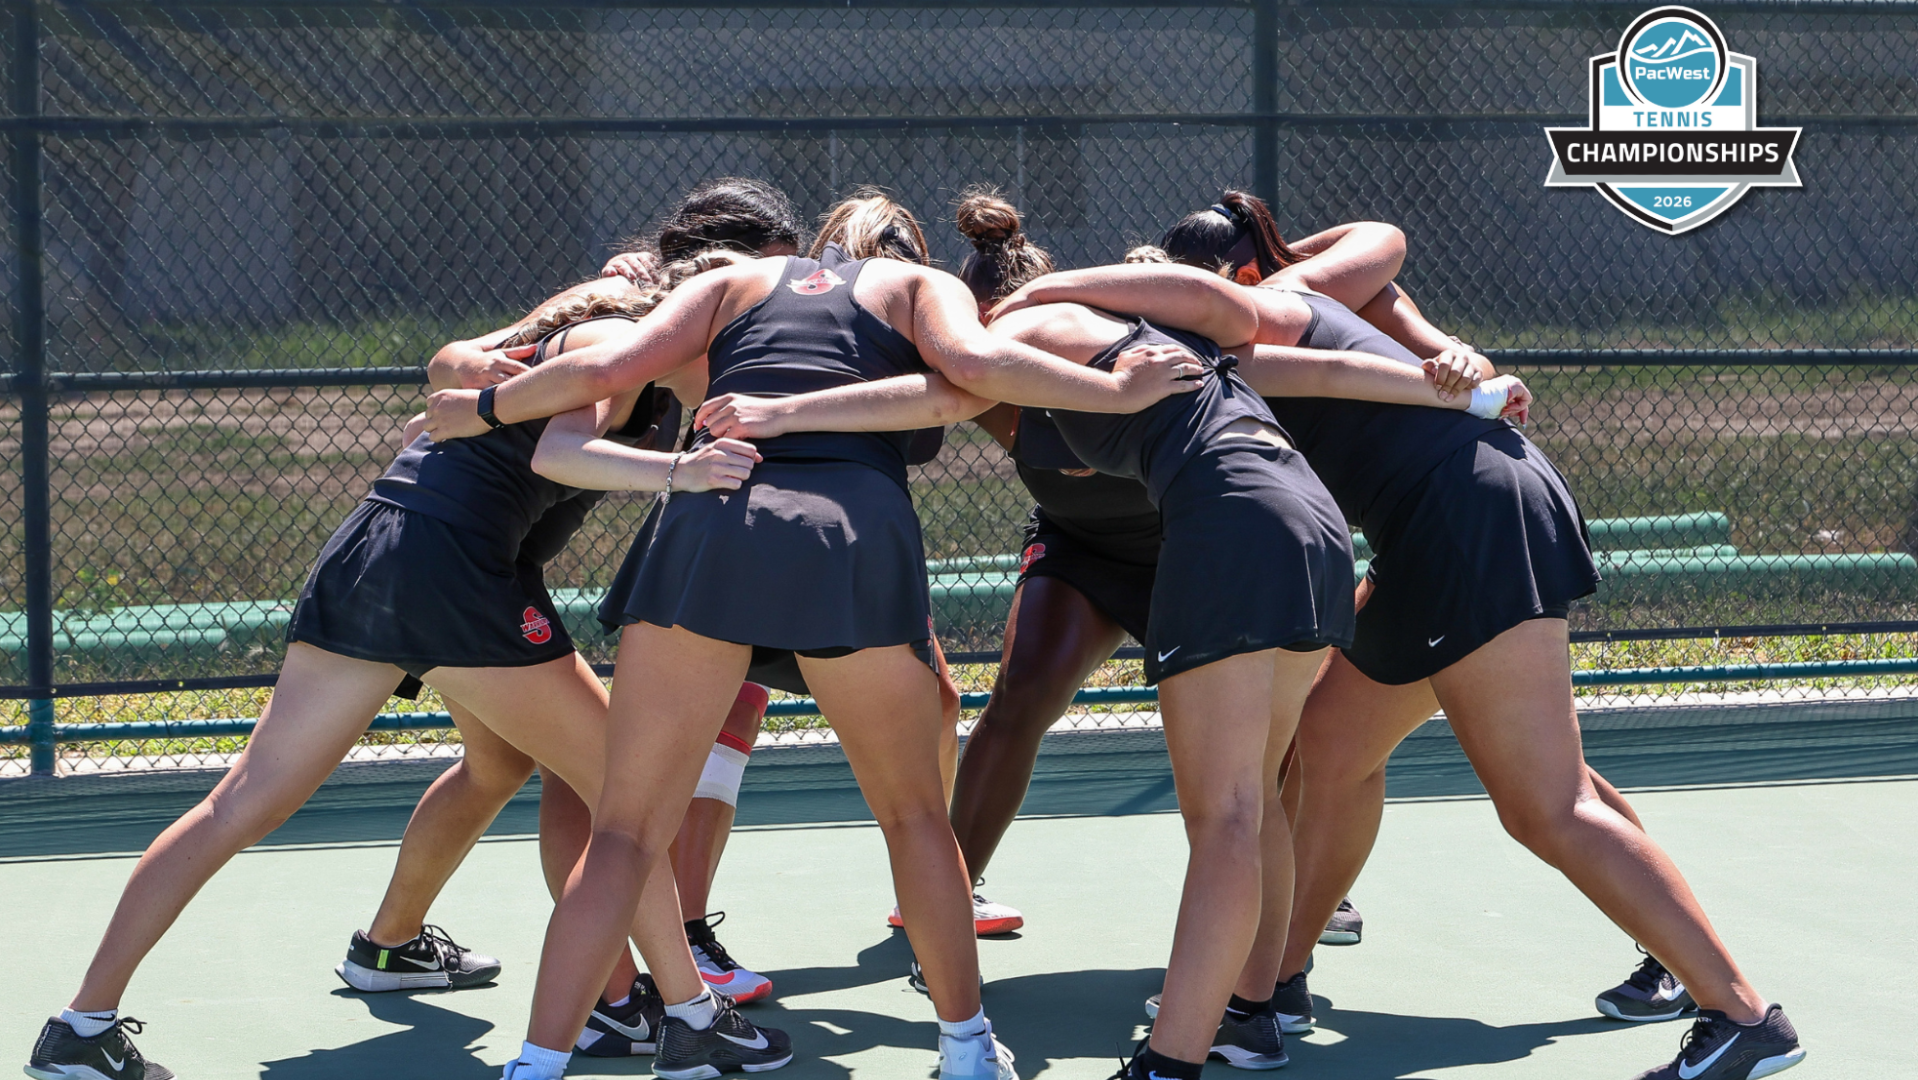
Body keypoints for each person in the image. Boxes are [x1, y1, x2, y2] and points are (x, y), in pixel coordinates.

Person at [699, 191, 1523, 1074]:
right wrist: (1465, 391)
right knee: (1244, 798)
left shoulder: (1025, 343)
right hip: (1302, 524)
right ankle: (1257, 1004)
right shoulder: (1187, 348)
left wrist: (783, 412)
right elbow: (1318, 371)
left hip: (1219, 531)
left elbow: (932, 397)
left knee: (1229, 814)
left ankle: (1175, 1055)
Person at [1010, 190, 1805, 1080]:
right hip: (1439, 527)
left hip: (1467, 522)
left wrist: (1041, 294)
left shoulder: (1283, 307)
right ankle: (1266, 994)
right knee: (1331, 740)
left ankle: (1740, 1013)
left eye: (1155, 296)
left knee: (1545, 802)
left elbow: (1260, 289)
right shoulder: (1243, 363)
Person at [421, 189, 1204, 1080]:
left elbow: (605, 370)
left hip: (709, 524)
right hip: (845, 536)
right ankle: (967, 1047)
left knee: (625, 833)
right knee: (914, 819)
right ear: (893, 251)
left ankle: (535, 1063)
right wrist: (1113, 387)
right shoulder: (915, 287)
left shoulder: (736, 284)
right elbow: (974, 372)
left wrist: (486, 409)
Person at [22, 255, 795, 1080]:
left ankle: (82, 1025)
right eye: (746, 333)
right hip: (449, 571)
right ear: (696, 321)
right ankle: (690, 1020)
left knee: (249, 799)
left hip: (378, 544)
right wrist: (681, 474)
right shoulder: (616, 347)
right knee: (627, 798)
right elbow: (555, 454)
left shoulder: (641, 375)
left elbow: (456, 400)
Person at [333, 178, 811, 1014]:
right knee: (598, 780)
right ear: (706, 264)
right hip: (464, 569)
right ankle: (617, 1000)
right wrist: (482, 402)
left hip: (490, 565)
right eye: (752, 282)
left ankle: (390, 945)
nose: (761, 306)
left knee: (499, 763)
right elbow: (455, 365)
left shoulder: (707, 347)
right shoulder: (621, 311)